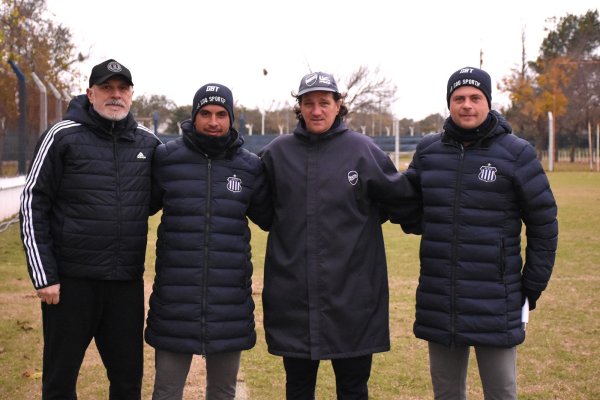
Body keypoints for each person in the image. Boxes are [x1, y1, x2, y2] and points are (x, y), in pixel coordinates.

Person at [258, 71, 420, 400]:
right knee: (298, 389)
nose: (316, 110)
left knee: (353, 388)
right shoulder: (277, 154)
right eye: (308, 103)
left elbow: (399, 199)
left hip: (354, 300)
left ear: (338, 105)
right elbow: (262, 211)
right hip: (294, 300)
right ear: (299, 107)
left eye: (324, 103)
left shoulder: (363, 151)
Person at [405, 66, 558, 399]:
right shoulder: (429, 152)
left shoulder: (517, 153)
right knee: (446, 391)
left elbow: (544, 221)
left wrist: (531, 284)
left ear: (488, 101)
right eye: (459, 98)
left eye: (475, 97)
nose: (467, 105)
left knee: (501, 391)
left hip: (497, 298)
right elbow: (410, 210)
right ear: (449, 103)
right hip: (440, 296)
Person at [19, 59, 161, 399]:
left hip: (124, 284)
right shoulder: (61, 135)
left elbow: (155, 198)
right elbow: (32, 203)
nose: (115, 95)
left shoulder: (148, 143)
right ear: (90, 93)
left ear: (131, 95)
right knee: (60, 380)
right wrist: (44, 276)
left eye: (122, 89)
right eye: (106, 88)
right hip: (70, 284)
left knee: (128, 383)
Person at [144, 83, 272, 400]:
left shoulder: (250, 167)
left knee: (222, 391)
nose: (213, 121)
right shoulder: (166, 159)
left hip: (229, 303)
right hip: (175, 301)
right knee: (166, 391)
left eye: (220, 114)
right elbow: (137, 208)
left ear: (231, 118)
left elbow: (272, 219)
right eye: (205, 113)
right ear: (194, 116)